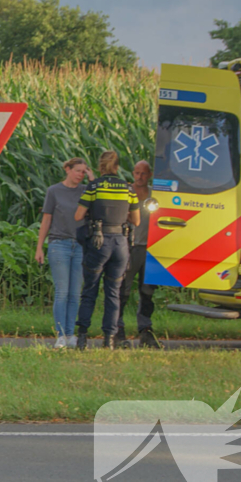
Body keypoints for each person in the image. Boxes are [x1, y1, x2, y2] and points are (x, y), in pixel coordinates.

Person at [73, 150, 140, 350]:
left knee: (90, 291)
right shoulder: (128, 189)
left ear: (100, 166)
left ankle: (82, 338)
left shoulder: (93, 187)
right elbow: (136, 220)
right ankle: (109, 340)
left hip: (98, 242)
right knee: (113, 293)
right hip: (120, 244)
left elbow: (78, 216)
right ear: (117, 167)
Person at [35, 157, 93, 348]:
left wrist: (92, 181)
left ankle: (71, 334)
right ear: (67, 169)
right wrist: (39, 247)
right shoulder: (54, 191)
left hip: (80, 246)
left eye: (84, 171)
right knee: (62, 291)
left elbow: (99, 201)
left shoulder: (86, 190)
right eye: (77, 170)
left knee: (75, 293)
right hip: (59, 244)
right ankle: (60, 334)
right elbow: (46, 220)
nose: (80, 175)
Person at [116, 160, 162, 348]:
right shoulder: (127, 192)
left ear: (149, 175)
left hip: (150, 248)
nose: (139, 177)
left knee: (147, 291)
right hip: (129, 246)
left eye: (143, 174)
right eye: (136, 173)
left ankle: (145, 330)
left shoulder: (155, 195)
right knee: (123, 290)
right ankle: (118, 329)